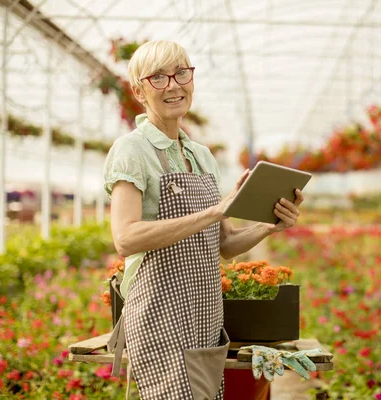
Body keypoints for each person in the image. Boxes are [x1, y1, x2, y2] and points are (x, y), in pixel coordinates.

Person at [103, 40, 304, 400]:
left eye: (181, 73)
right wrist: (215, 210)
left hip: (206, 314)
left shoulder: (201, 156)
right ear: (139, 90)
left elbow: (224, 245)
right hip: (159, 314)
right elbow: (126, 238)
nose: (174, 85)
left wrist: (268, 225)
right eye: (159, 78)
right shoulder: (132, 150)